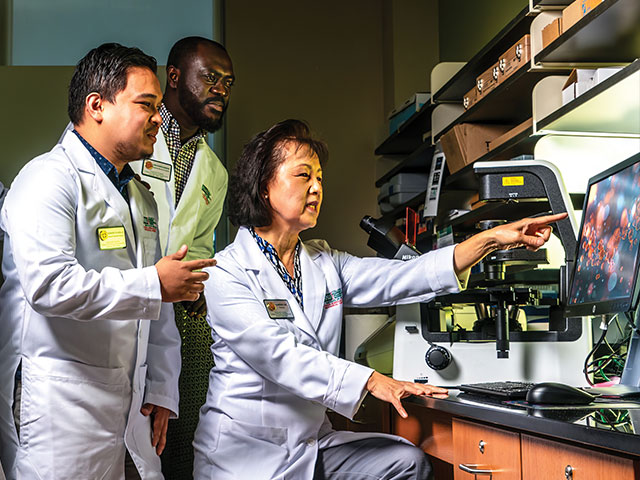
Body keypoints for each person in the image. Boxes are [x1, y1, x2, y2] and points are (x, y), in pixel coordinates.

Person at [192, 119, 567, 479]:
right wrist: (373, 380)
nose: (317, 187)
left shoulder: (323, 262)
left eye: (320, 178)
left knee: (405, 462)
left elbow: (403, 276)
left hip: (308, 447)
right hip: (245, 457)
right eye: (303, 175)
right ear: (263, 187)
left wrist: (491, 239)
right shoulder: (226, 273)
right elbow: (281, 357)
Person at [0, 43, 216, 480]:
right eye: (146, 105)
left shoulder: (142, 196)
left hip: (130, 403)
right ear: (96, 106)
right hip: (59, 405)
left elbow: (159, 309)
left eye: (159, 106)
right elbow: (49, 287)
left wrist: (161, 388)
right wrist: (154, 285)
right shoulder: (47, 179)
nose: (159, 118)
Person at [129, 36, 233, 477]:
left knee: (175, 436)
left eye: (228, 83)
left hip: (173, 318)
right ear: (174, 77)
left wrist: (199, 286)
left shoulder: (215, 172)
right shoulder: (135, 140)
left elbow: (203, 246)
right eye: (210, 77)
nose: (221, 90)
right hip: (125, 303)